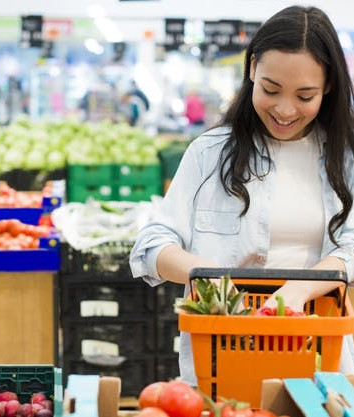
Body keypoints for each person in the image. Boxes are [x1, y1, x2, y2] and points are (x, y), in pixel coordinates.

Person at [129, 5, 354, 386]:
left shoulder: (344, 158)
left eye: (305, 95)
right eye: (270, 89)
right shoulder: (210, 152)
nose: (284, 109)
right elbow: (151, 245)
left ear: (328, 86)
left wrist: (297, 290)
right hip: (219, 358)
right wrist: (207, 277)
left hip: (319, 360)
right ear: (251, 70)